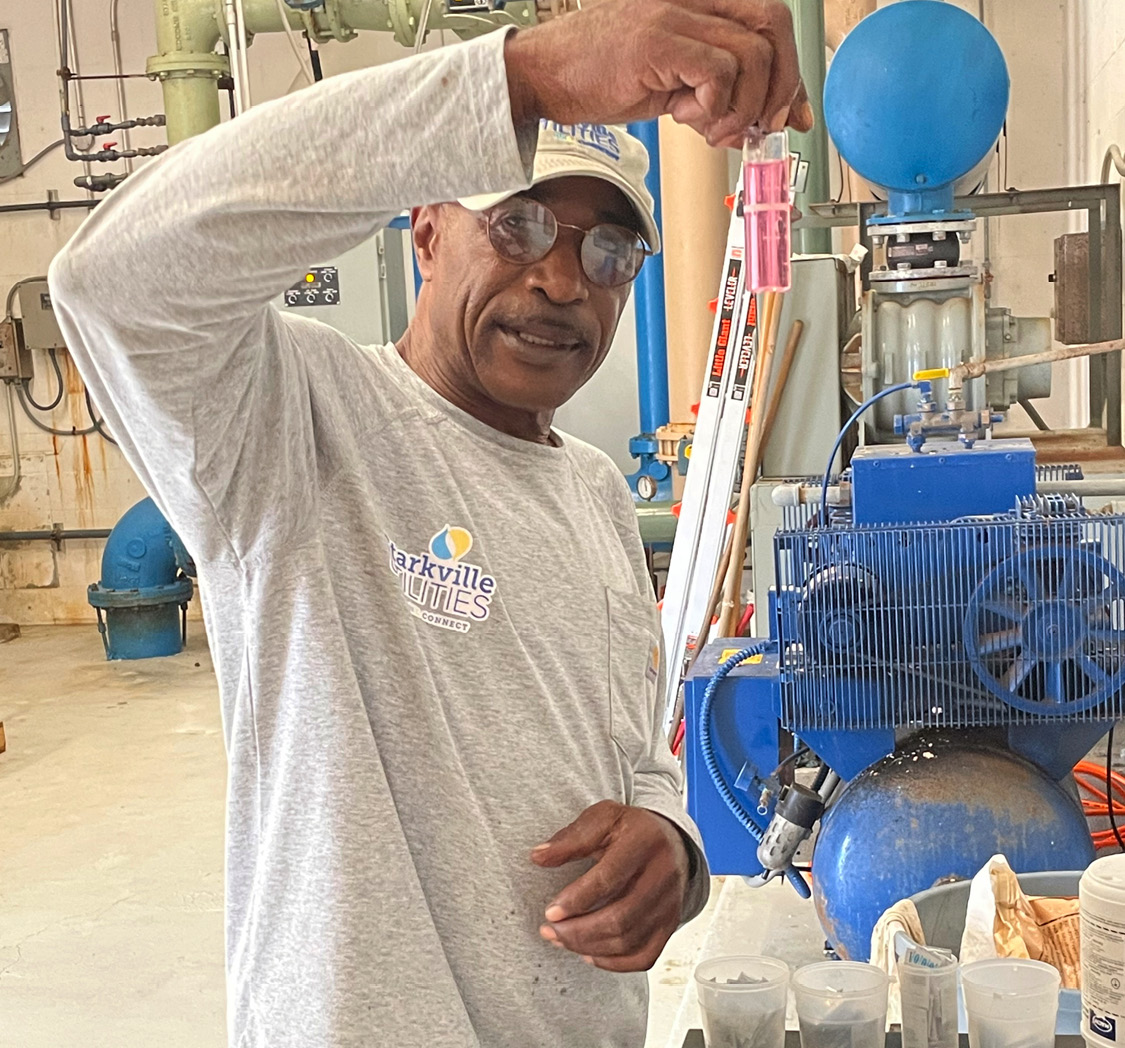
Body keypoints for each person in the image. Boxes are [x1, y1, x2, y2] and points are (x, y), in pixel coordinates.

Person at [48, 1, 810, 1044]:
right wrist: (523, 77)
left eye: (607, 254)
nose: (559, 279)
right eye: (519, 223)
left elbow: (630, 748)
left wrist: (670, 850)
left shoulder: (594, 491)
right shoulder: (291, 422)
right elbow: (109, 281)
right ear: (423, 232)